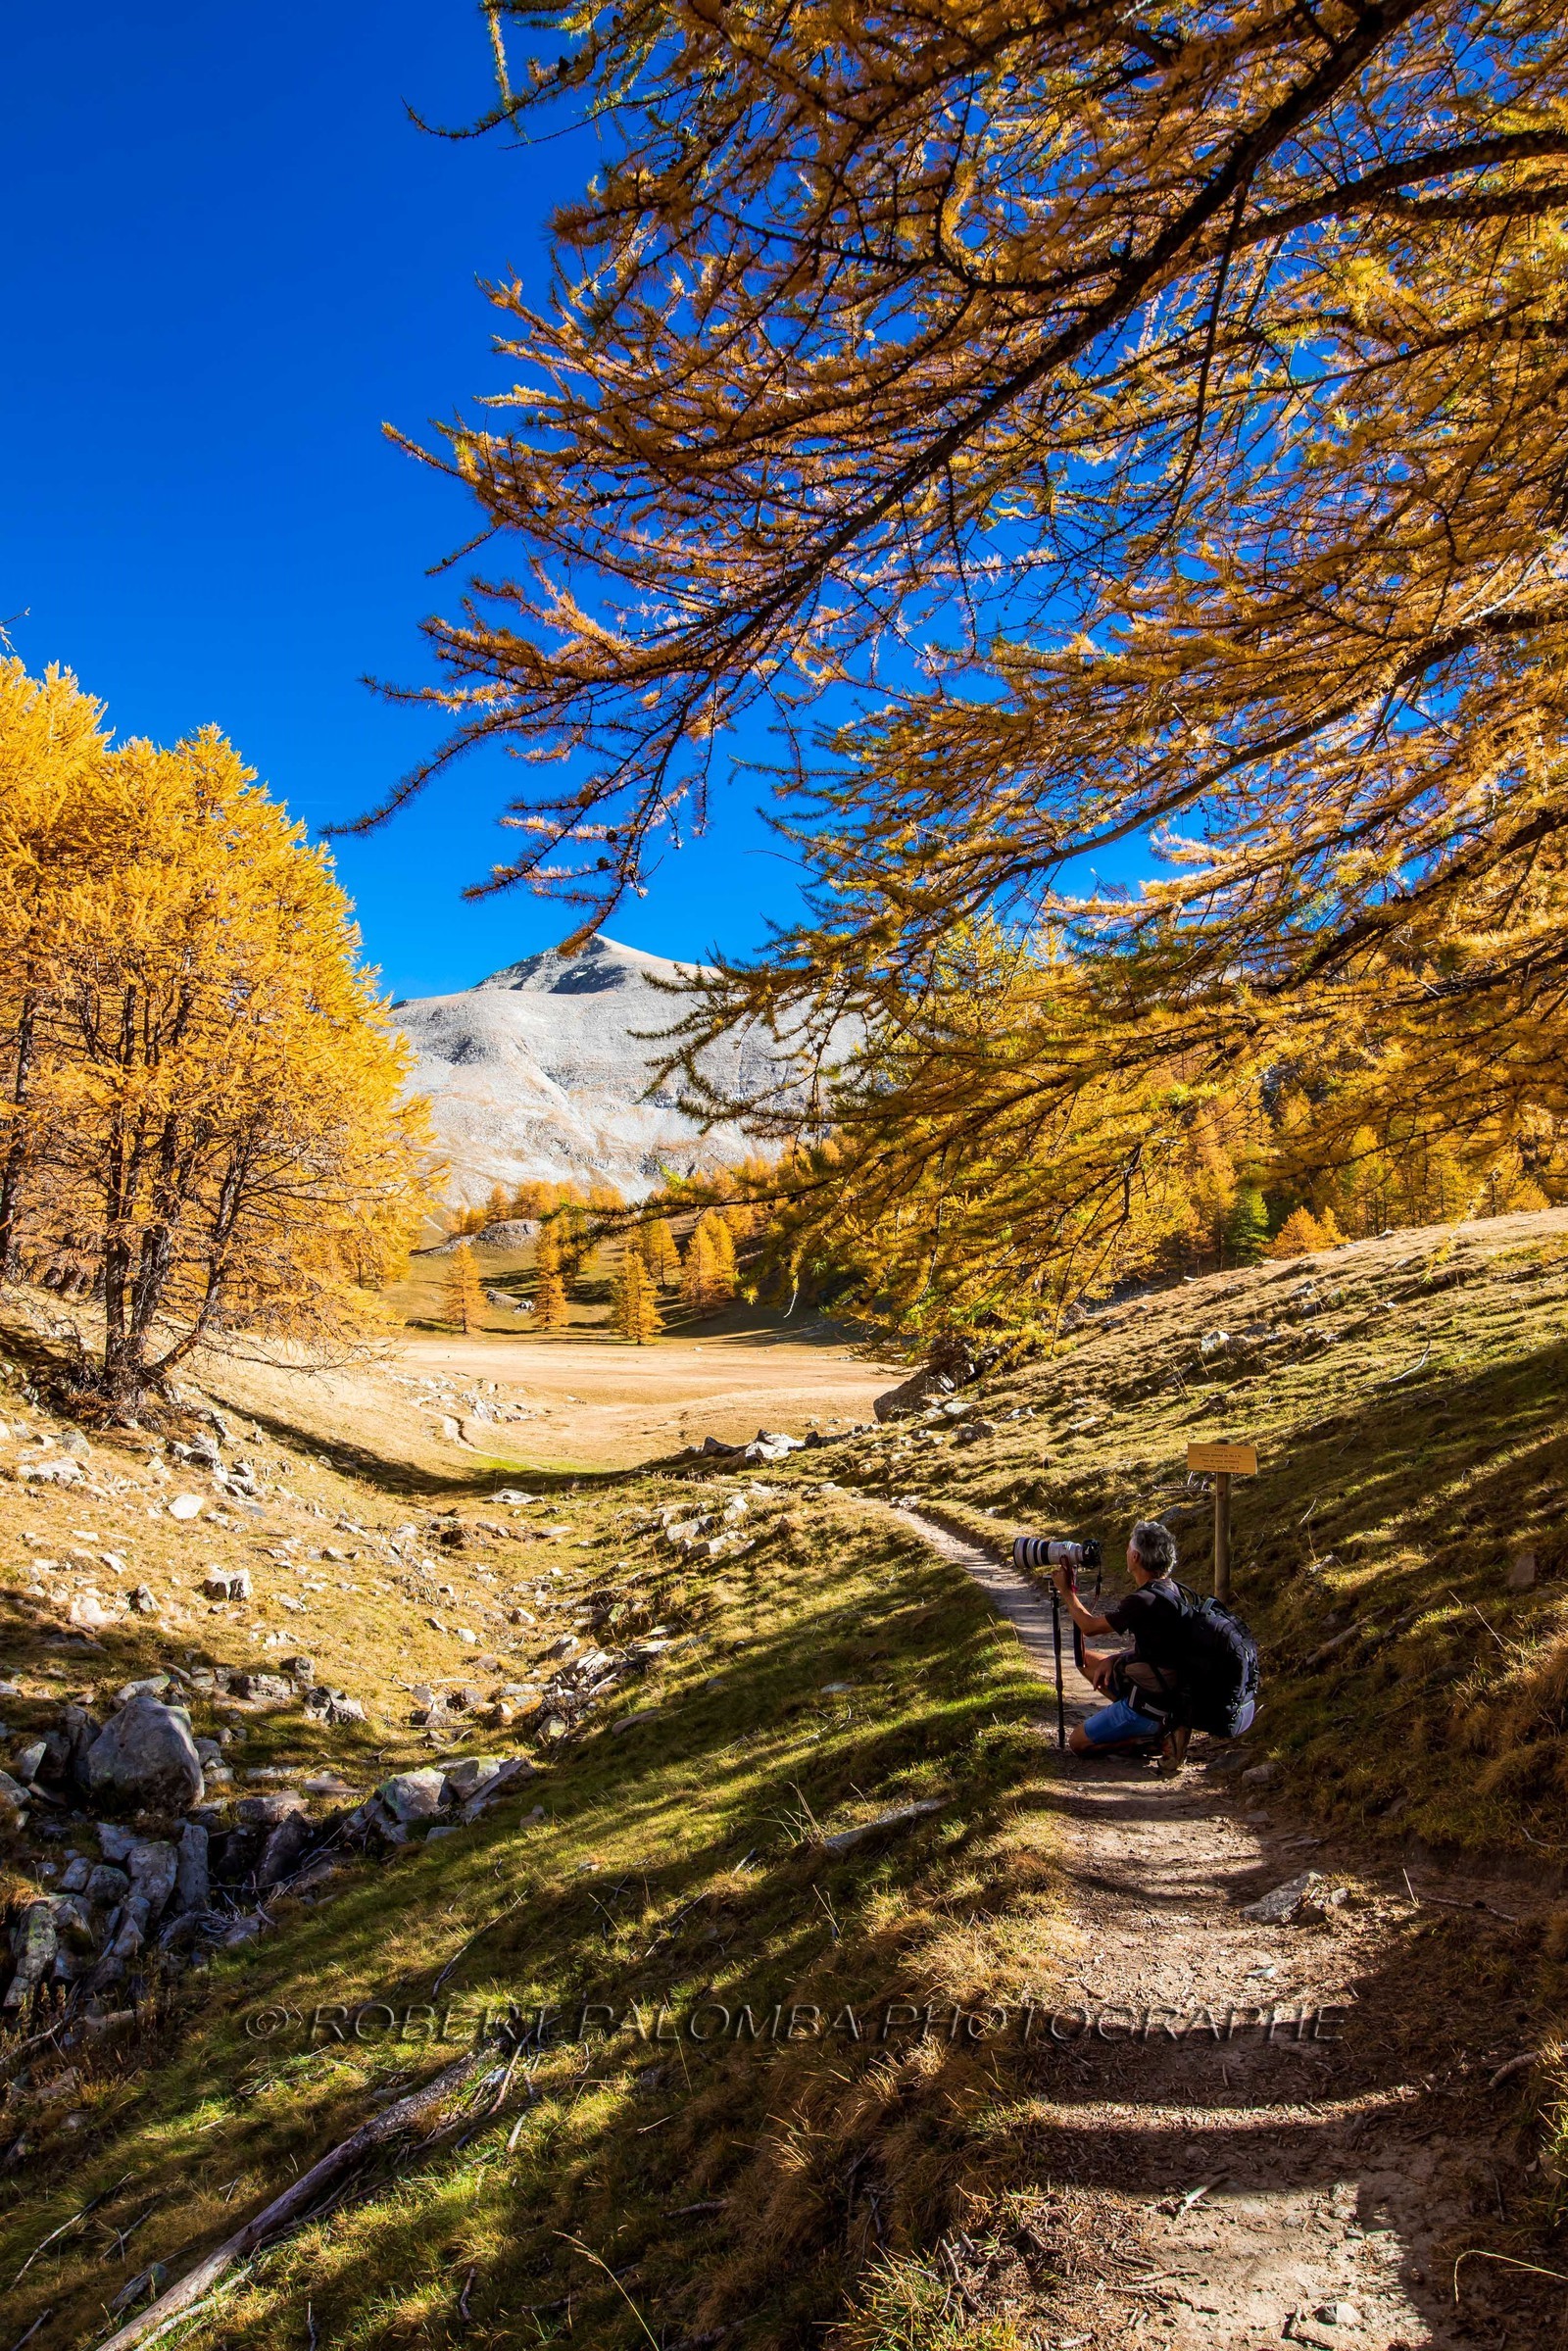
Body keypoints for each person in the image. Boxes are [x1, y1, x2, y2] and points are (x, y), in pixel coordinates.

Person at [1050, 1519, 1188, 1755]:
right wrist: (1113, 1659)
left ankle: (1145, 1738)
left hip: (1152, 1703)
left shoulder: (1143, 1601)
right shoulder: (1170, 1589)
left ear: (1135, 1557)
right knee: (1087, 1662)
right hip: (1167, 1688)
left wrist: (1066, 1591)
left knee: (1077, 1743)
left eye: (1128, 1548)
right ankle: (1144, 1723)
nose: (1125, 1552)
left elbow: (1089, 1627)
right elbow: (1158, 1646)